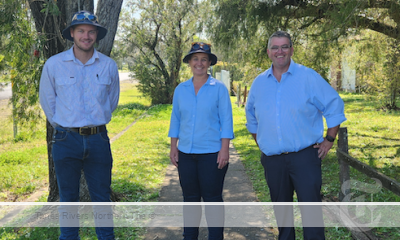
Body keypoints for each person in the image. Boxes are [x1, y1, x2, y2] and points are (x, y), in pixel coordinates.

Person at [245, 31, 346, 240]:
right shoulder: (259, 83)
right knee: (282, 217)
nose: (279, 51)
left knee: (311, 214)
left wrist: (329, 140)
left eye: (284, 47)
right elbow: (252, 119)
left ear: (291, 50)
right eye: (275, 47)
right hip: (273, 161)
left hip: (305, 157)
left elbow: (334, 104)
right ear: (268, 52)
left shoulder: (308, 77)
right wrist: (263, 144)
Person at [39, 10, 119, 240]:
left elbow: (110, 103)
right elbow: (49, 103)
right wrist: (67, 125)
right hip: (66, 140)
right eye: (81, 31)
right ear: (72, 33)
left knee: (102, 199)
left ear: (96, 35)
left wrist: (92, 123)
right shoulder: (54, 65)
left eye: (91, 31)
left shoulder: (108, 66)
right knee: (68, 200)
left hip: (98, 140)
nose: (86, 36)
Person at [168, 42, 234, 240]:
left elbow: (227, 120)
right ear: (189, 62)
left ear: (209, 63)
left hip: (212, 154)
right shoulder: (181, 89)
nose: (199, 63)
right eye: (195, 59)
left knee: (213, 199)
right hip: (186, 154)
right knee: (190, 199)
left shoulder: (219, 89)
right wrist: (174, 146)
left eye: (203, 59)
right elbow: (176, 119)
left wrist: (225, 150)